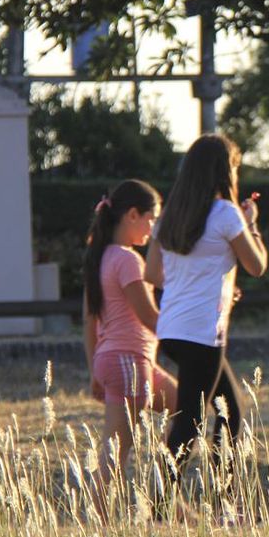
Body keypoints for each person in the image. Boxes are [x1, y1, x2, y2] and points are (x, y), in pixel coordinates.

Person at [145, 134, 268, 485]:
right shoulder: (227, 214)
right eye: (234, 167)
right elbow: (257, 265)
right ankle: (162, 503)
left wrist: (209, 281)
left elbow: (152, 274)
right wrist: (252, 224)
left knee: (230, 409)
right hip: (203, 332)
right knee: (194, 420)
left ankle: (215, 498)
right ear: (223, 171)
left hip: (171, 329)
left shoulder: (170, 216)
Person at [83, 179, 178, 509]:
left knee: (186, 405)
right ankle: (95, 520)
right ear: (133, 215)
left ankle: (169, 498)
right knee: (116, 450)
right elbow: (150, 318)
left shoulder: (100, 258)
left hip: (121, 361)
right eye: (152, 219)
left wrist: (94, 370)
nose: (153, 228)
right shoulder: (127, 261)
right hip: (129, 361)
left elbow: (89, 321)